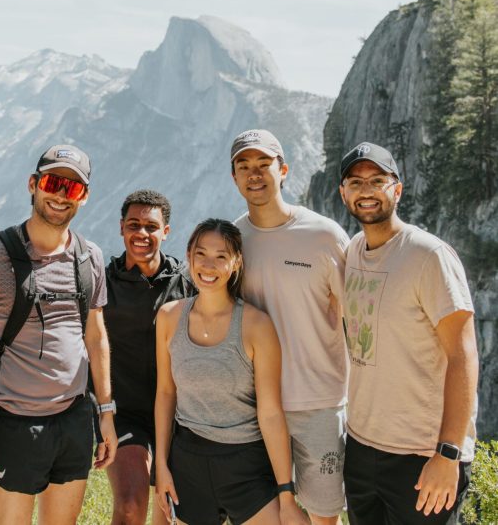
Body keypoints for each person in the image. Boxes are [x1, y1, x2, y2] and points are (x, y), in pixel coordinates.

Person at [0, 144, 118, 525]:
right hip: (13, 420)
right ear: (33, 184)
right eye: (53, 182)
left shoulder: (90, 257)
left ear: (84, 197)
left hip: (73, 421)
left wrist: (105, 412)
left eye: (72, 189)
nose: (60, 195)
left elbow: (96, 335)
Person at [338, 142, 479, 524]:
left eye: (377, 180)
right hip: (363, 448)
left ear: (396, 190)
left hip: (422, 455)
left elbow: (462, 355)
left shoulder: (427, 255)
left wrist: (448, 454)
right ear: (344, 192)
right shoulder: (353, 252)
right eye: (355, 182)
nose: (366, 190)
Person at [154, 219, 308, 525]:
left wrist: (286, 494)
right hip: (188, 463)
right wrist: (162, 465)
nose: (208, 265)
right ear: (189, 256)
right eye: (201, 254)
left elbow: (270, 413)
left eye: (221, 256)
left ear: (236, 262)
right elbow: (165, 393)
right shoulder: (169, 317)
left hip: (246, 466)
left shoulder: (256, 325)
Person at [230, 129, 349, 524]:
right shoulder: (233, 241)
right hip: (256, 407)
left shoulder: (324, 235)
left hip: (319, 403)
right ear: (234, 177)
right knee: (267, 516)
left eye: (264, 164)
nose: (255, 173)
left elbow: (358, 320)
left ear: (283, 170)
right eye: (244, 166)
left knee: (323, 516)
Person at [103, 189, 195, 525]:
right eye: (134, 225)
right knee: (130, 504)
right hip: (124, 413)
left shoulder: (187, 282)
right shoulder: (103, 282)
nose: (142, 234)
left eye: (151, 227)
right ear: (121, 228)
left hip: (179, 413)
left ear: (166, 232)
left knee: (170, 512)